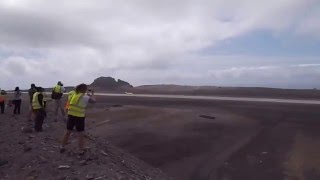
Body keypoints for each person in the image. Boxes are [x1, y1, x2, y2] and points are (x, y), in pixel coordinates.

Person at [60, 84, 96, 154]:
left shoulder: (74, 95)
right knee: (80, 134)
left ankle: (62, 146)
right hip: (79, 117)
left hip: (71, 115)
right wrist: (92, 94)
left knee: (68, 132)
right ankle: (81, 150)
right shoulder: (85, 97)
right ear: (84, 90)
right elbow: (94, 101)